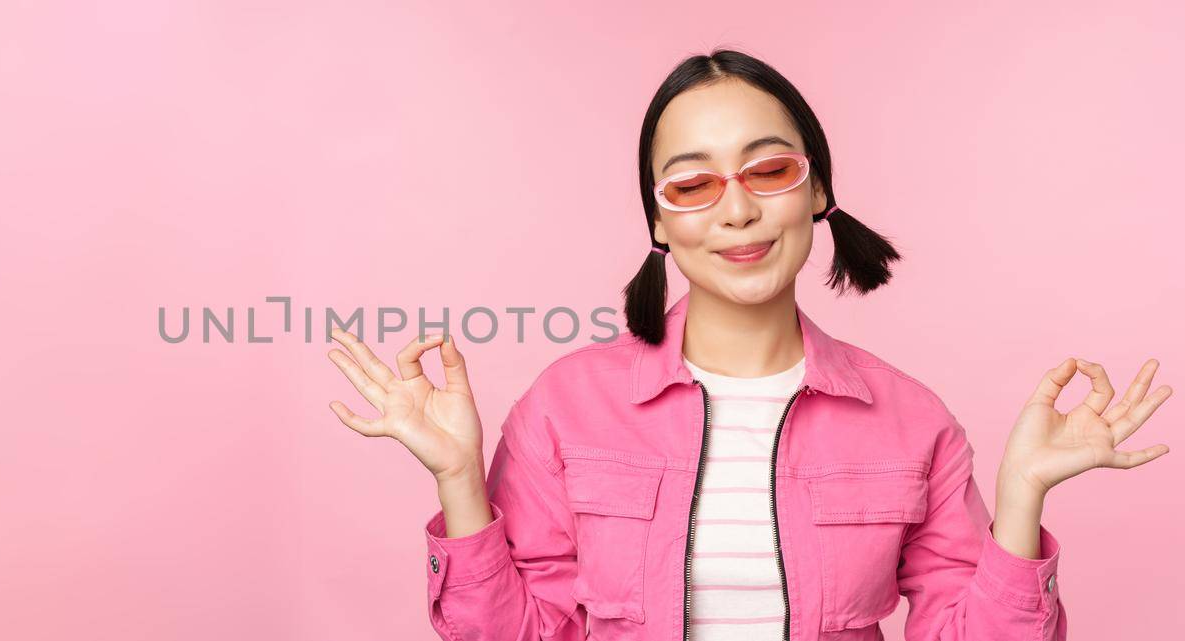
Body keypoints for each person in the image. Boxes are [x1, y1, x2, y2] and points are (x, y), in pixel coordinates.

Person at [323, 49, 1171, 641]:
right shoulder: (565, 404)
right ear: (659, 220)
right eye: (693, 184)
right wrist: (458, 481)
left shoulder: (912, 420)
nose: (737, 211)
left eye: (769, 171)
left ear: (818, 189)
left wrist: (1021, 496)